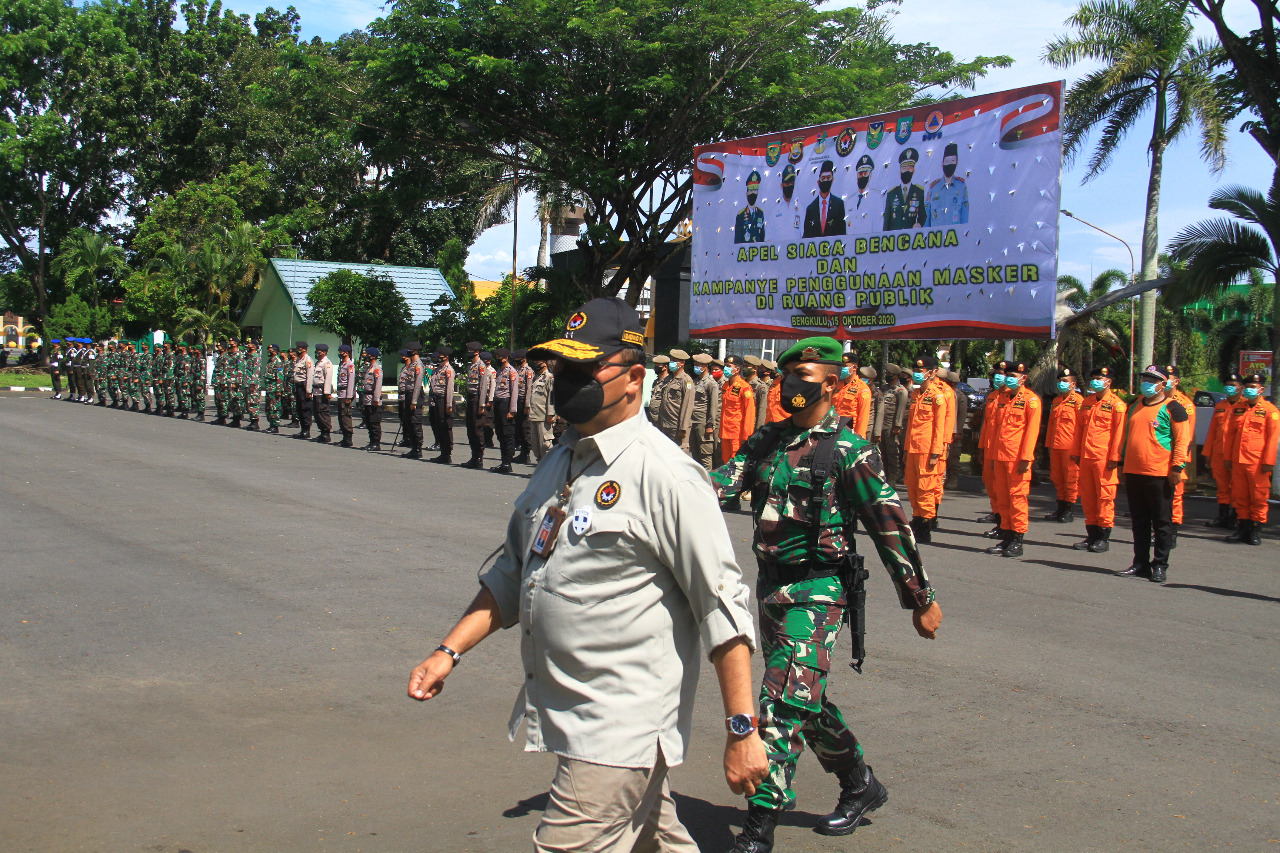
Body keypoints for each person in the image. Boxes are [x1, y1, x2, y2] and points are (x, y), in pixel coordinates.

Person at [407, 297, 767, 852]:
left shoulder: (667, 476)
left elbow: (721, 607)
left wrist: (742, 730)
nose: (567, 379)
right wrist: (448, 650)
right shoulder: (563, 457)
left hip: (620, 724)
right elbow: (513, 570)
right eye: (561, 367)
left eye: (584, 367)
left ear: (634, 378)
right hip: (578, 715)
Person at [710, 335, 941, 852]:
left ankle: (758, 826)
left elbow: (891, 529)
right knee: (802, 698)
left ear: (832, 384)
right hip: (771, 587)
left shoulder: (851, 452)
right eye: (786, 376)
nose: (790, 386)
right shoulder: (768, 440)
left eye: (804, 379)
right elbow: (722, 484)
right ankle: (861, 784)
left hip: (818, 589)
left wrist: (920, 599)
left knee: (780, 702)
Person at [1115, 366, 1191, 583]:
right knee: (1139, 521)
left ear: (1163, 384)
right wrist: (1121, 463)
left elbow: (1182, 440)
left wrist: (1177, 468)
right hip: (1134, 471)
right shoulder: (1135, 405)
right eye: (1145, 379)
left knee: (1161, 521)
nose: (1147, 383)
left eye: (1152, 380)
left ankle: (1159, 564)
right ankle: (1140, 563)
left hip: (1159, 473)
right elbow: (1126, 437)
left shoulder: (1173, 407)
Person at [984, 361, 1042, 558]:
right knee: (1003, 498)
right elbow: (997, 429)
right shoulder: (1004, 398)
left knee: (1017, 499)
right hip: (1000, 455)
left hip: (1017, 458)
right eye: (1007, 375)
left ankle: (1017, 539)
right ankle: (1006, 535)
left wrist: (1026, 458)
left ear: (1023, 378)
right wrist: (992, 455)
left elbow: (1031, 432)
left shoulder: (1031, 401)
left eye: (1013, 376)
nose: (1008, 379)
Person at [1071, 366, 1127, 553]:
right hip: (1086, 457)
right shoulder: (1087, 402)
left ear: (1108, 382)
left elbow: (1119, 433)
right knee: (1087, 496)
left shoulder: (1117, 405)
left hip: (1104, 459)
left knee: (1104, 497)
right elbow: (1079, 430)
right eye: (1093, 377)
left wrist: (1115, 457)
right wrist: (1076, 452)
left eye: (1099, 378)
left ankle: (1103, 537)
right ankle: (1091, 534)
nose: (1095, 381)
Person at [1222, 372, 1279, 546]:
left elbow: (1272, 438)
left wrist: (1268, 462)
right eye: (1247, 387)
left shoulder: (1270, 411)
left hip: (1258, 463)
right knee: (1240, 496)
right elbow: (1230, 435)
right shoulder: (1239, 408)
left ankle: (1255, 530)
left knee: (1258, 497)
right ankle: (1242, 528)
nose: (1249, 390)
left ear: (1261, 389)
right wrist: (1227, 457)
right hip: (1238, 461)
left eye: (1253, 387)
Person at [902, 356, 949, 543]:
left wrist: (936, 453)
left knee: (926, 489)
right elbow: (911, 425)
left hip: (927, 450)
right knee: (912, 487)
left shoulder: (938, 397)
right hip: (913, 448)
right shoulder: (915, 394)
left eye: (920, 372)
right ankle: (916, 518)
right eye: (915, 371)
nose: (916, 374)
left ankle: (926, 525)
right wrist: (906, 449)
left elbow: (940, 427)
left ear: (932, 373)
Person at [1202, 374, 1243, 529]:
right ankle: (1223, 516)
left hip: (1236, 454)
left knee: (1237, 487)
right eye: (1227, 384)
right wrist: (1207, 453)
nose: (1229, 387)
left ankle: (1236, 517)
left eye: (1233, 384)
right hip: (1219, 453)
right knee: (1222, 486)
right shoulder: (1220, 406)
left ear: (1241, 387)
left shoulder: (1245, 406)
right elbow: (1212, 431)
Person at [1043, 367, 1084, 522]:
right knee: (1057, 478)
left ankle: (1069, 509)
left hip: (1070, 447)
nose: (1062, 384)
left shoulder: (1079, 401)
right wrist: (1048, 445)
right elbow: (1051, 425)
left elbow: (1081, 426)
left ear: (1073, 384)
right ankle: (1060, 508)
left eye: (1065, 381)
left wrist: (1078, 449)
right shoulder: (1056, 401)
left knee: (1071, 479)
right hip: (1055, 445)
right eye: (1060, 381)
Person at [1163, 365, 1195, 542]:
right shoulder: (1153, 400)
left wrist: (1180, 461)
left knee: (1174, 495)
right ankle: (1160, 529)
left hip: (1176, 457)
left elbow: (1186, 435)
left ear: (1176, 381)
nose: (1165, 381)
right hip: (1158, 456)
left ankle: (1172, 531)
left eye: (1169, 377)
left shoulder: (1185, 404)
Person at [719, 355, 756, 466]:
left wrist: (747, 435)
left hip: (737, 433)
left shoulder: (744, 387)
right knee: (725, 462)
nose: (726, 369)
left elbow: (749, 412)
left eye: (729, 366)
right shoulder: (725, 386)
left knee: (736, 464)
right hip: (725, 432)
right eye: (725, 366)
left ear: (738, 369)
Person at [656, 349, 695, 451]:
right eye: (671, 360)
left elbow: (688, 404)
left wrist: (683, 427)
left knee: (679, 454)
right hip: (665, 423)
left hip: (676, 425)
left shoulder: (686, 380)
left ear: (682, 363)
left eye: (675, 360)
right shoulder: (668, 378)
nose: (671, 363)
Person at [925, 142, 969, 226]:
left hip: (955, 237)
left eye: (952, 161)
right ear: (942, 164)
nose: (949, 164)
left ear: (957, 163)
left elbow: (965, 215)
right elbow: (926, 217)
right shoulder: (933, 188)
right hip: (935, 237)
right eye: (947, 161)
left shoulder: (961, 186)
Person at [491, 347, 520, 474]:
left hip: (506, 404)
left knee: (508, 434)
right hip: (498, 404)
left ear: (506, 358)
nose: (498, 360)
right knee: (500, 433)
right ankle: (503, 462)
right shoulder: (499, 371)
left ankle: (508, 463)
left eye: (500, 358)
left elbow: (514, 392)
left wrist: (512, 410)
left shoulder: (511, 372)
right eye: (497, 357)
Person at [690, 353, 721, 469]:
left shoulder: (711, 383)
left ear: (705, 366)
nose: (695, 367)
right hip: (693, 422)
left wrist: (710, 424)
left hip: (703, 424)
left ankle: (708, 483)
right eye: (695, 365)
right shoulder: (695, 381)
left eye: (698, 365)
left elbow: (714, 405)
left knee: (705, 455)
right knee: (695, 454)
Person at [879, 366, 909, 485]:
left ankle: (892, 477)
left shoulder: (901, 391)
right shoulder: (884, 388)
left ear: (896, 376)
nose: (887, 375)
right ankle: (884, 475)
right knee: (882, 452)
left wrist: (897, 425)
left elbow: (901, 410)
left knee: (892, 453)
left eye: (889, 373)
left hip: (892, 426)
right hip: (881, 424)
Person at [883, 148, 926, 231]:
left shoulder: (918, 191)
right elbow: (887, 220)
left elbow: (923, 215)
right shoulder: (892, 193)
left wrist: (919, 224)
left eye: (909, 168)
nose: (906, 171)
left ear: (913, 171)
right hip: (894, 239)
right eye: (904, 168)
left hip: (911, 238)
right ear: (900, 172)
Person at [803, 160, 846, 237]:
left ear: (832, 180)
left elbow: (842, 233)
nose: (826, 180)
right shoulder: (811, 208)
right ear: (818, 182)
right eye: (823, 178)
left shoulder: (838, 204)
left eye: (828, 177)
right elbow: (806, 236)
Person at [833, 352, 871, 438]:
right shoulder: (837, 385)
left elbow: (863, 417)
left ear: (854, 367)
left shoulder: (862, 388)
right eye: (840, 366)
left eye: (844, 366)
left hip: (850, 432)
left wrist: (859, 438)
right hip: (834, 429)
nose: (841, 369)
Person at [428, 346, 455, 463]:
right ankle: (442, 452)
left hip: (444, 400)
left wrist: (449, 405)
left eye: (440, 357)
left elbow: (449, 389)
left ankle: (447, 454)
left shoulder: (448, 370)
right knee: (438, 426)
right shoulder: (437, 370)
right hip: (435, 400)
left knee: (445, 427)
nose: (438, 359)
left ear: (446, 357)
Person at [397, 343, 425, 458]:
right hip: (408, 394)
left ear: (415, 351)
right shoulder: (411, 365)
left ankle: (418, 449)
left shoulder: (418, 365)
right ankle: (413, 447)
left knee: (415, 422)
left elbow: (417, 384)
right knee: (409, 421)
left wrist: (414, 401)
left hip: (415, 395)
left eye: (410, 350)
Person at [527, 353, 555, 461]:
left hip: (544, 416)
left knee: (545, 445)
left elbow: (551, 397)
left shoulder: (549, 377)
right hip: (535, 415)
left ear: (545, 363)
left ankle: (548, 471)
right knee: (536, 446)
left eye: (538, 362)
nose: (536, 364)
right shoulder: (536, 377)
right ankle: (539, 469)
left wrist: (550, 414)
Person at [944, 371, 969, 490]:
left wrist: (958, 431)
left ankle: (953, 478)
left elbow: (962, 415)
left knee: (954, 457)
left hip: (955, 432)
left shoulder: (960, 396)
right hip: (946, 430)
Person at [359, 345, 383, 451]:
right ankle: (371, 442)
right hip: (367, 398)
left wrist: (376, 399)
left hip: (373, 399)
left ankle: (376, 443)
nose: (366, 356)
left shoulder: (377, 369)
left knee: (374, 422)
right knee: (368, 421)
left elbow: (378, 385)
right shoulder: (369, 368)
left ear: (373, 356)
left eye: (368, 355)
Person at [310, 343, 335, 443]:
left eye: (318, 351)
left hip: (322, 392)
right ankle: (322, 432)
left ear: (324, 352)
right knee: (317, 412)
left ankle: (326, 433)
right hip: (316, 391)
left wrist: (327, 392)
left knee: (323, 412)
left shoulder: (327, 363)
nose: (316, 352)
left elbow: (328, 378)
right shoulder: (318, 363)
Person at [513, 349, 534, 464]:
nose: (515, 360)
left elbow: (529, 389)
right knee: (518, 427)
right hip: (517, 400)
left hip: (523, 401)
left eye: (517, 358)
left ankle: (526, 454)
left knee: (525, 427)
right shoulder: (517, 370)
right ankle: (522, 453)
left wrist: (527, 405)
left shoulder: (528, 371)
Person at [735, 169, 767, 243]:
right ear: (746, 193)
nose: (753, 193)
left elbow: (762, 237)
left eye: (755, 190)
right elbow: (737, 240)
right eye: (751, 191)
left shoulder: (760, 213)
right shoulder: (741, 215)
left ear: (758, 193)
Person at [335, 344, 356, 446]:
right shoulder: (342, 364)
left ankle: (348, 438)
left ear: (346, 353)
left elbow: (351, 382)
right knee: (341, 416)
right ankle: (344, 436)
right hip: (340, 393)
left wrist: (349, 396)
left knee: (345, 416)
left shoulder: (350, 365)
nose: (340, 353)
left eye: (341, 352)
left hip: (345, 394)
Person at [292, 341, 314, 439]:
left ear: (304, 349)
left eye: (299, 348)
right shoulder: (298, 360)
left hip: (304, 387)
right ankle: (302, 429)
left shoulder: (308, 360)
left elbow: (310, 376)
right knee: (300, 408)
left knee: (305, 408)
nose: (297, 349)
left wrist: (308, 391)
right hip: (298, 386)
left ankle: (306, 430)